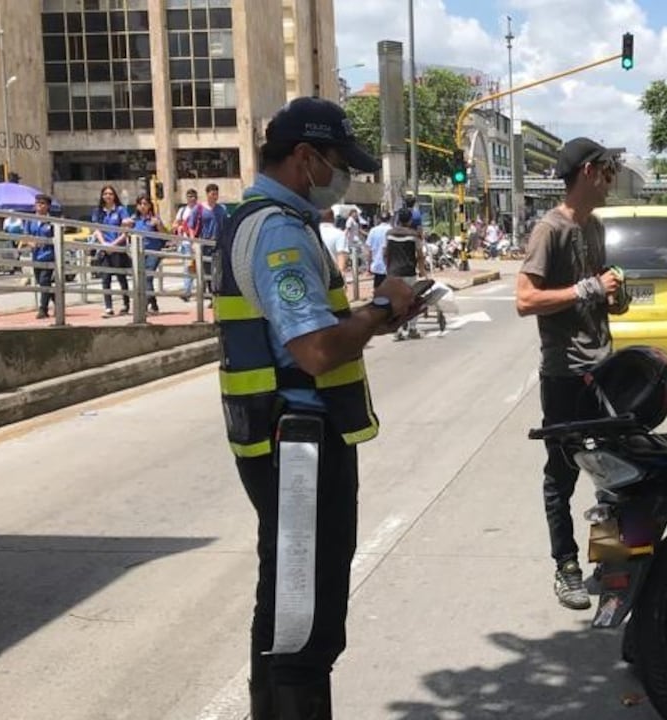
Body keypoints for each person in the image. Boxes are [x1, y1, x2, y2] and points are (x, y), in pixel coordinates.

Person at [213, 96, 414, 720]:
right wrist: (384, 309)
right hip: (297, 443)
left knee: (284, 601)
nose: (340, 175)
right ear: (305, 158)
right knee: (307, 614)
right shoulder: (277, 229)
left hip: (282, 438)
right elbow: (317, 349)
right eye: (334, 162)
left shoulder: (263, 219)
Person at [515, 137, 629, 610]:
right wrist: (587, 288)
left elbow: (599, 293)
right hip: (565, 374)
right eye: (607, 172)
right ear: (587, 172)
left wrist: (615, 295)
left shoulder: (595, 227)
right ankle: (566, 567)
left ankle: (608, 558)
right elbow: (525, 299)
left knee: (614, 470)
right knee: (561, 476)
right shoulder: (550, 230)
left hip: (602, 366)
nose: (611, 181)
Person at [385, 207, 426, 340]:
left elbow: (385, 253)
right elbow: (420, 255)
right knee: (411, 301)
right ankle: (412, 329)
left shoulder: (389, 234)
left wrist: (388, 269)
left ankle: (396, 332)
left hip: (393, 273)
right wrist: (422, 271)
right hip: (408, 272)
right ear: (410, 220)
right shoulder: (413, 235)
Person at [92, 184, 131, 317]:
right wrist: (104, 244)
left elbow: (126, 231)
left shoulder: (120, 210)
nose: (108, 196)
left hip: (118, 247)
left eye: (110, 194)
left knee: (121, 277)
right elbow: (96, 230)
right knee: (105, 278)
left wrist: (114, 245)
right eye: (105, 194)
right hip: (105, 248)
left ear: (114, 196)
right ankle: (108, 307)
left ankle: (126, 304)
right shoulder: (98, 212)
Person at [19, 194, 58, 319]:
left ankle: (43, 309)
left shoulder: (51, 221)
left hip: (48, 255)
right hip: (36, 256)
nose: (39, 206)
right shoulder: (30, 220)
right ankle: (58, 301)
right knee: (42, 283)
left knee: (44, 281)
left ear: (48, 206)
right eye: (37, 203)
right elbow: (25, 236)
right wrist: (31, 243)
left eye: (42, 203)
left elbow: (56, 237)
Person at [130, 194, 167, 314]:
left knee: (148, 276)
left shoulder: (154, 219)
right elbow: (126, 233)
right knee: (142, 278)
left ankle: (145, 306)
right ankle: (154, 304)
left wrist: (158, 225)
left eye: (145, 204)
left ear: (149, 205)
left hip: (153, 251)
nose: (143, 206)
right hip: (139, 252)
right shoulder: (134, 220)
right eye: (140, 204)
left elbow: (165, 235)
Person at [176, 188, 205, 301]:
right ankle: (187, 291)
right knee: (188, 267)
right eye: (189, 196)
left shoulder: (200, 209)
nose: (191, 198)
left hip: (197, 243)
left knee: (198, 268)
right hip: (185, 243)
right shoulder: (182, 210)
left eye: (193, 196)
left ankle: (198, 290)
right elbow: (177, 223)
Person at [200, 183, 228, 296]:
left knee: (218, 268)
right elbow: (192, 226)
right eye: (212, 194)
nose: (215, 196)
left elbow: (226, 224)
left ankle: (217, 291)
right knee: (207, 269)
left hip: (218, 242)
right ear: (207, 194)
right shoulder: (200, 209)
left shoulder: (222, 209)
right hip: (205, 243)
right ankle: (211, 292)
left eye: (216, 194)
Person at [366, 212, 390, 287]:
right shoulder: (391, 230)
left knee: (377, 288)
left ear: (379, 219)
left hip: (376, 264)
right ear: (390, 219)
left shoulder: (373, 230)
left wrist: (368, 266)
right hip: (389, 266)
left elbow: (369, 250)